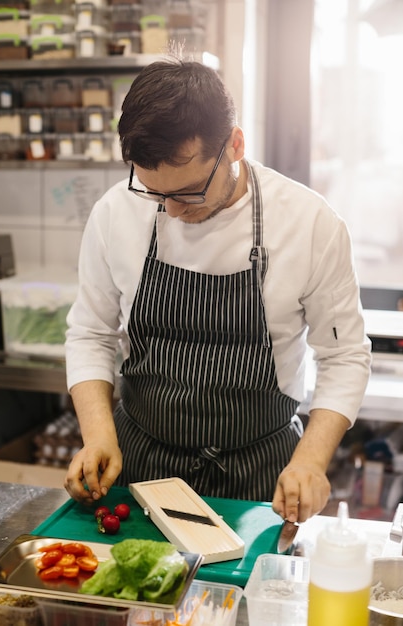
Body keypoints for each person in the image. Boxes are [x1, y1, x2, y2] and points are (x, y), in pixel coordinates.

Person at [64, 57, 371, 524]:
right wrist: (99, 434)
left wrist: (310, 460)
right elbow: (90, 332)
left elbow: (344, 354)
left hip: (261, 477)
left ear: (234, 145)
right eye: (153, 192)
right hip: (141, 465)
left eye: (187, 192)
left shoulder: (310, 224)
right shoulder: (115, 213)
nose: (169, 209)